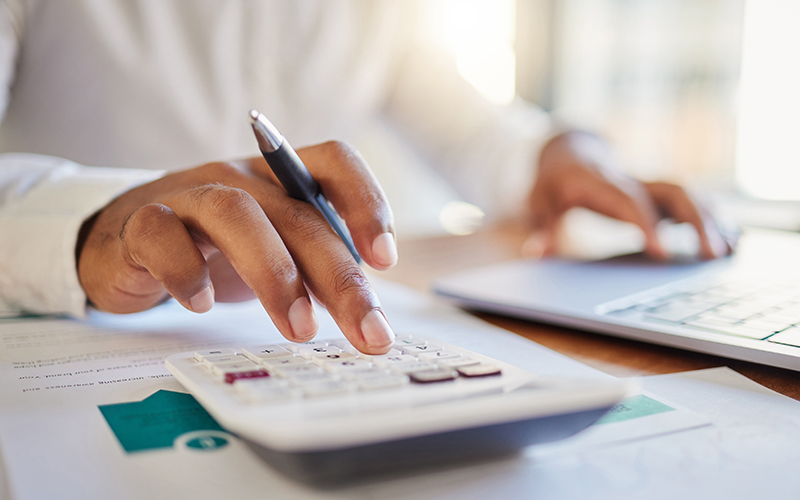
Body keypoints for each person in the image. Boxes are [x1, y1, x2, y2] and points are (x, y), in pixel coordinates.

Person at [0, 1, 733, 354]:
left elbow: (474, 131)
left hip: (307, 348)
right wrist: (91, 225)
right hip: (83, 342)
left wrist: (558, 155)